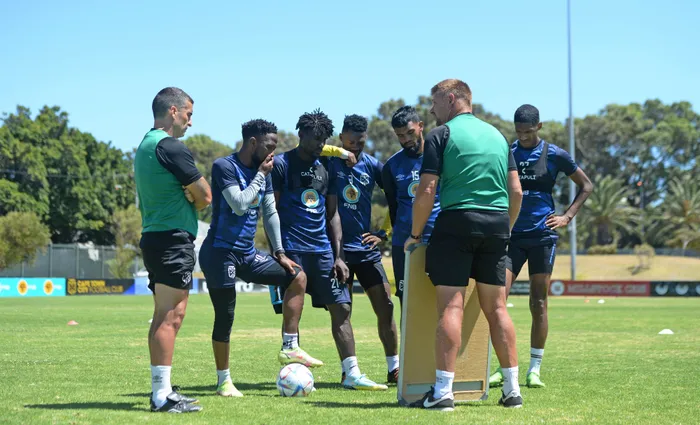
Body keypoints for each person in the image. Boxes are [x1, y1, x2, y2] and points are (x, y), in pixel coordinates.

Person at [405, 79, 524, 410]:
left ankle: (443, 392)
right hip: (497, 224)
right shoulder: (498, 136)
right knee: (497, 308)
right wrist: (506, 228)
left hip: (457, 222)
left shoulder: (440, 135)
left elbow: (427, 190)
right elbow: (516, 191)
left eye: (434, 103)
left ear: (451, 98)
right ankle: (512, 390)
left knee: (451, 307)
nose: (432, 110)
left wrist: (415, 234)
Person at [199, 119, 323, 398]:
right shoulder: (224, 166)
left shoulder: (264, 172)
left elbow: (270, 212)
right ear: (253, 142)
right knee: (225, 316)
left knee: (297, 276)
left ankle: (290, 346)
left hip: (247, 253)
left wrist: (279, 253)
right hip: (220, 253)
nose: (272, 153)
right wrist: (260, 175)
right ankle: (223, 381)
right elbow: (239, 204)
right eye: (269, 146)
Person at [272, 109, 387, 391]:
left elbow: (332, 213)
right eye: (315, 139)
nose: (319, 145)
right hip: (293, 249)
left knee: (342, 307)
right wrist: (278, 250)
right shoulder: (282, 164)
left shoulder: (327, 166)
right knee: (294, 308)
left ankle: (351, 374)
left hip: (323, 250)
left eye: (323, 140)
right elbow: (271, 209)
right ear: (301, 134)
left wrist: (338, 256)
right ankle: (291, 359)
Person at [489, 104, 593, 389]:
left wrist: (567, 216)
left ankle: (534, 369)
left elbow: (586, 185)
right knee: (497, 301)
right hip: (512, 237)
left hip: (542, 237)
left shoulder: (555, 154)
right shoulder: (507, 152)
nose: (522, 136)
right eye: (518, 132)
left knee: (538, 302)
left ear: (539, 127)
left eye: (528, 131)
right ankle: (503, 366)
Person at [134, 87, 211, 413]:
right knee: (171, 317)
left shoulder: (145, 144)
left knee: (163, 316)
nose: (190, 122)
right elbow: (205, 196)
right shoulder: (170, 146)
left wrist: (188, 193)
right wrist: (192, 195)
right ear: (173, 111)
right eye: (189, 114)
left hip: (156, 238)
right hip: (171, 241)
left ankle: (162, 390)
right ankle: (161, 397)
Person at [327, 114, 400, 384]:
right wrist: (339, 152)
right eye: (350, 142)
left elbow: (396, 196)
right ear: (341, 139)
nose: (355, 147)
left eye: (360, 142)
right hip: (337, 252)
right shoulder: (329, 161)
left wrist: (384, 233)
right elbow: (308, 148)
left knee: (386, 306)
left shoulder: (372, 165)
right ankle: (350, 370)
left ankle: (394, 368)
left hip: (366, 250)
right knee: (342, 311)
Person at [383, 106, 441, 308]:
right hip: (404, 242)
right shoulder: (391, 166)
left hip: (438, 238)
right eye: (400, 135)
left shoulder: (440, 157)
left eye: (410, 132)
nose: (406, 139)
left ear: (421, 126)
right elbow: (393, 207)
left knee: (439, 295)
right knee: (406, 299)